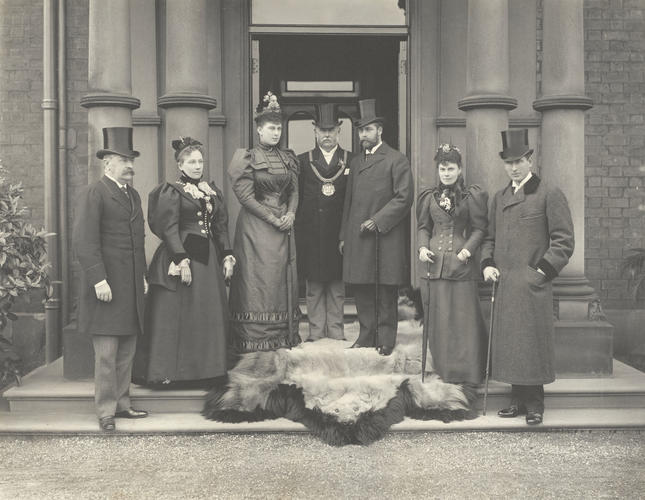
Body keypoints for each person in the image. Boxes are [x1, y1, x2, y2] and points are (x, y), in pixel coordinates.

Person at [481, 129, 574, 425]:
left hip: (533, 283)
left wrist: (541, 273)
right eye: (508, 162)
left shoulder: (548, 192)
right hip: (506, 283)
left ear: (529, 159)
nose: (513, 167)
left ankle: (535, 404)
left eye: (519, 161)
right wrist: (487, 263)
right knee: (512, 344)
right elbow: (489, 238)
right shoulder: (500, 197)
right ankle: (517, 400)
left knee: (531, 344)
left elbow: (563, 240)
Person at [132, 137, 235, 386]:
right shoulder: (171, 190)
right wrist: (180, 259)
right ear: (180, 165)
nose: (197, 166)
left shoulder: (211, 191)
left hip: (208, 260)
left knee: (206, 313)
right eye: (191, 162)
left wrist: (227, 254)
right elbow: (167, 227)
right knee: (179, 314)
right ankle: (172, 373)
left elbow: (220, 226)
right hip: (180, 256)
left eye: (200, 161)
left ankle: (208, 371)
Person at [72, 127, 149, 432]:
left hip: (129, 287)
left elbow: (138, 241)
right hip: (105, 287)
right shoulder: (95, 192)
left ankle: (122, 403)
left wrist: (142, 275)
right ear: (107, 164)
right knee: (106, 354)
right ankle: (105, 411)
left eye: (131, 159)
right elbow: (84, 241)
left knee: (127, 351)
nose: (129, 165)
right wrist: (98, 280)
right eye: (123, 159)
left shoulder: (133, 194)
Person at [339, 98, 414, 356]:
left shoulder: (396, 159)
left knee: (384, 289)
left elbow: (404, 198)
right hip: (358, 236)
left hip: (385, 237)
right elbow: (348, 202)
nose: (364, 135)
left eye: (368, 129)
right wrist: (343, 235)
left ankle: (386, 339)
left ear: (379, 130)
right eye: (361, 130)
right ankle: (366, 335)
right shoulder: (357, 162)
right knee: (361, 287)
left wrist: (378, 220)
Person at [228, 91, 301, 352]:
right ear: (259, 130)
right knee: (260, 279)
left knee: (281, 278)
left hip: (284, 226)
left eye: (279, 128)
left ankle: (283, 335)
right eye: (271, 128)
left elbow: (294, 191)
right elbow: (246, 197)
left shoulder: (287, 158)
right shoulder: (246, 158)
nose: (275, 133)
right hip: (257, 229)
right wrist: (272, 218)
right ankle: (256, 339)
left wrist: (291, 213)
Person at [417, 143, 488, 384]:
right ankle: (443, 371)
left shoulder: (471, 196)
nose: (446, 173)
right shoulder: (429, 197)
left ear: (459, 169)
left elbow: (479, 228)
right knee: (441, 320)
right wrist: (422, 247)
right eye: (442, 169)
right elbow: (423, 227)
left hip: (461, 266)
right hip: (434, 266)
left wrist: (467, 251)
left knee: (462, 319)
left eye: (450, 169)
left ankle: (467, 372)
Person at [295, 103, 351, 342]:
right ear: (314, 131)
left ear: (339, 130)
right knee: (314, 287)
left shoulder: (351, 160)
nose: (327, 135)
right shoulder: (302, 161)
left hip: (339, 234)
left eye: (331, 130)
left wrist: (347, 235)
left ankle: (337, 334)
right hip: (312, 235)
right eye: (322, 130)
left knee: (337, 287)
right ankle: (316, 334)